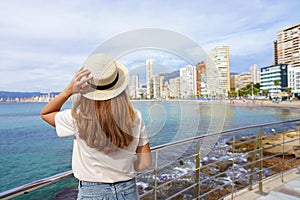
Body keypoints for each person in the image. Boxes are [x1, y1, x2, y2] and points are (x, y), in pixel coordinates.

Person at [41, 54, 152, 199]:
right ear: (119, 88)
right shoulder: (135, 117)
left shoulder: (78, 118)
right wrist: (124, 170)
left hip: (92, 193)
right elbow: (145, 162)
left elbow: (46, 113)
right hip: (128, 190)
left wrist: (69, 89)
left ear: (88, 89)